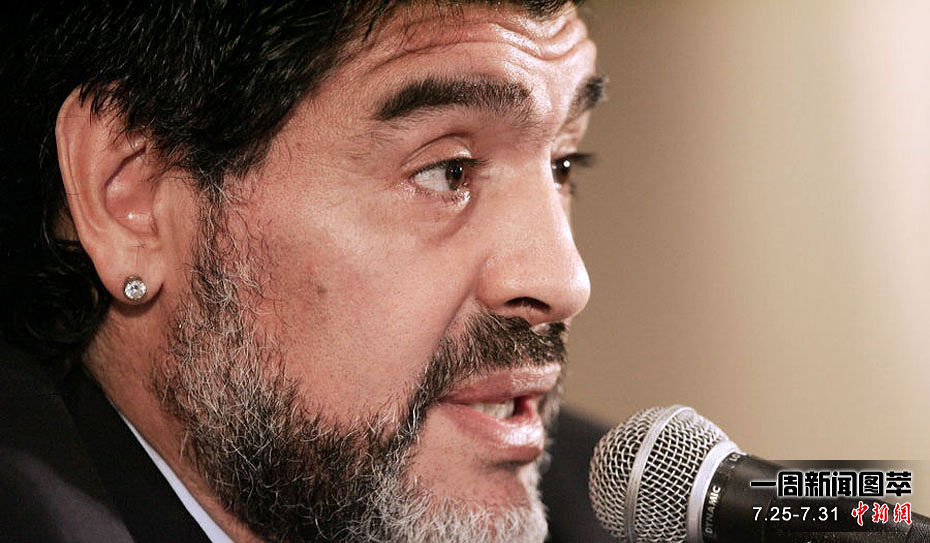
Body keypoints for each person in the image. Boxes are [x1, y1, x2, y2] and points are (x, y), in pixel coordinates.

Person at [0, 2, 612, 542]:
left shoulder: (605, 514)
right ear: (130, 199)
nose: (565, 282)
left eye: (562, 164)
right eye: (447, 170)